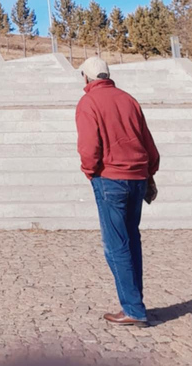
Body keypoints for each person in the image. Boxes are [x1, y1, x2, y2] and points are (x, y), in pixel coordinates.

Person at [75, 57, 160, 327]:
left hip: (110, 178)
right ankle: (135, 302)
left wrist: (90, 171)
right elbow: (148, 141)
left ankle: (133, 309)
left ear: (86, 78)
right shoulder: (128, 99)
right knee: (132, 240)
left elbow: (89, 147)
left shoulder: (89, 102)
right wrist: (150, 172)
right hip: (137, 178)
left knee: (116, 246)